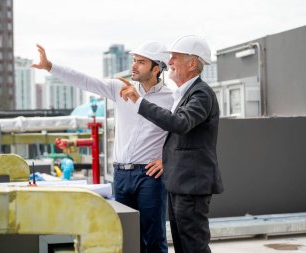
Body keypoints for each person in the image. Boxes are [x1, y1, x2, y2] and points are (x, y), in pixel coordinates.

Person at [32, 41, 173, 253]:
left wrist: (167, 160)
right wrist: (50, 66)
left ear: (156, 68)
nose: (134, 65)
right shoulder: (120, 88)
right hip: (121, 175)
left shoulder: (171, 98)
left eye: (141, 62)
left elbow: (182, 132)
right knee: (125, 237)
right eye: (134, 60)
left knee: (153, 239)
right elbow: (86, 81)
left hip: (149, 176)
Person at [119, 35, 224, 253]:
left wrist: (139, 102)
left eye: (175, 58)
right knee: (183, 245)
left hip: (191, 185)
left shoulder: (201, 93)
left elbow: (180, 123)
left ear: (192, 63)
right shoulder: (184, 95)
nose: (171, 63)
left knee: (193, 246)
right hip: (181, 184)